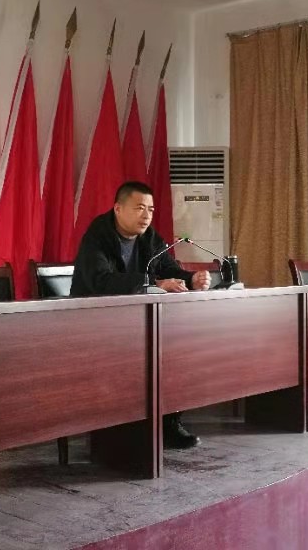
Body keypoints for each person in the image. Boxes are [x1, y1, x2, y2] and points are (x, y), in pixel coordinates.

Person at [71, 181, 212, 448]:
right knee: (148, 352)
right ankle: (122, 430)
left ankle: (169, 423)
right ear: (118, 209)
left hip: (138, 321)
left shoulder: (150, 237)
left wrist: (191, 278)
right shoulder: (98, 235)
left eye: (151, 209)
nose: (146, 215)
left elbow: (168, 269)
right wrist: (154, 284)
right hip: (96, 323)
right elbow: (101, 281)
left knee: (178, 348)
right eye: (139, 208)